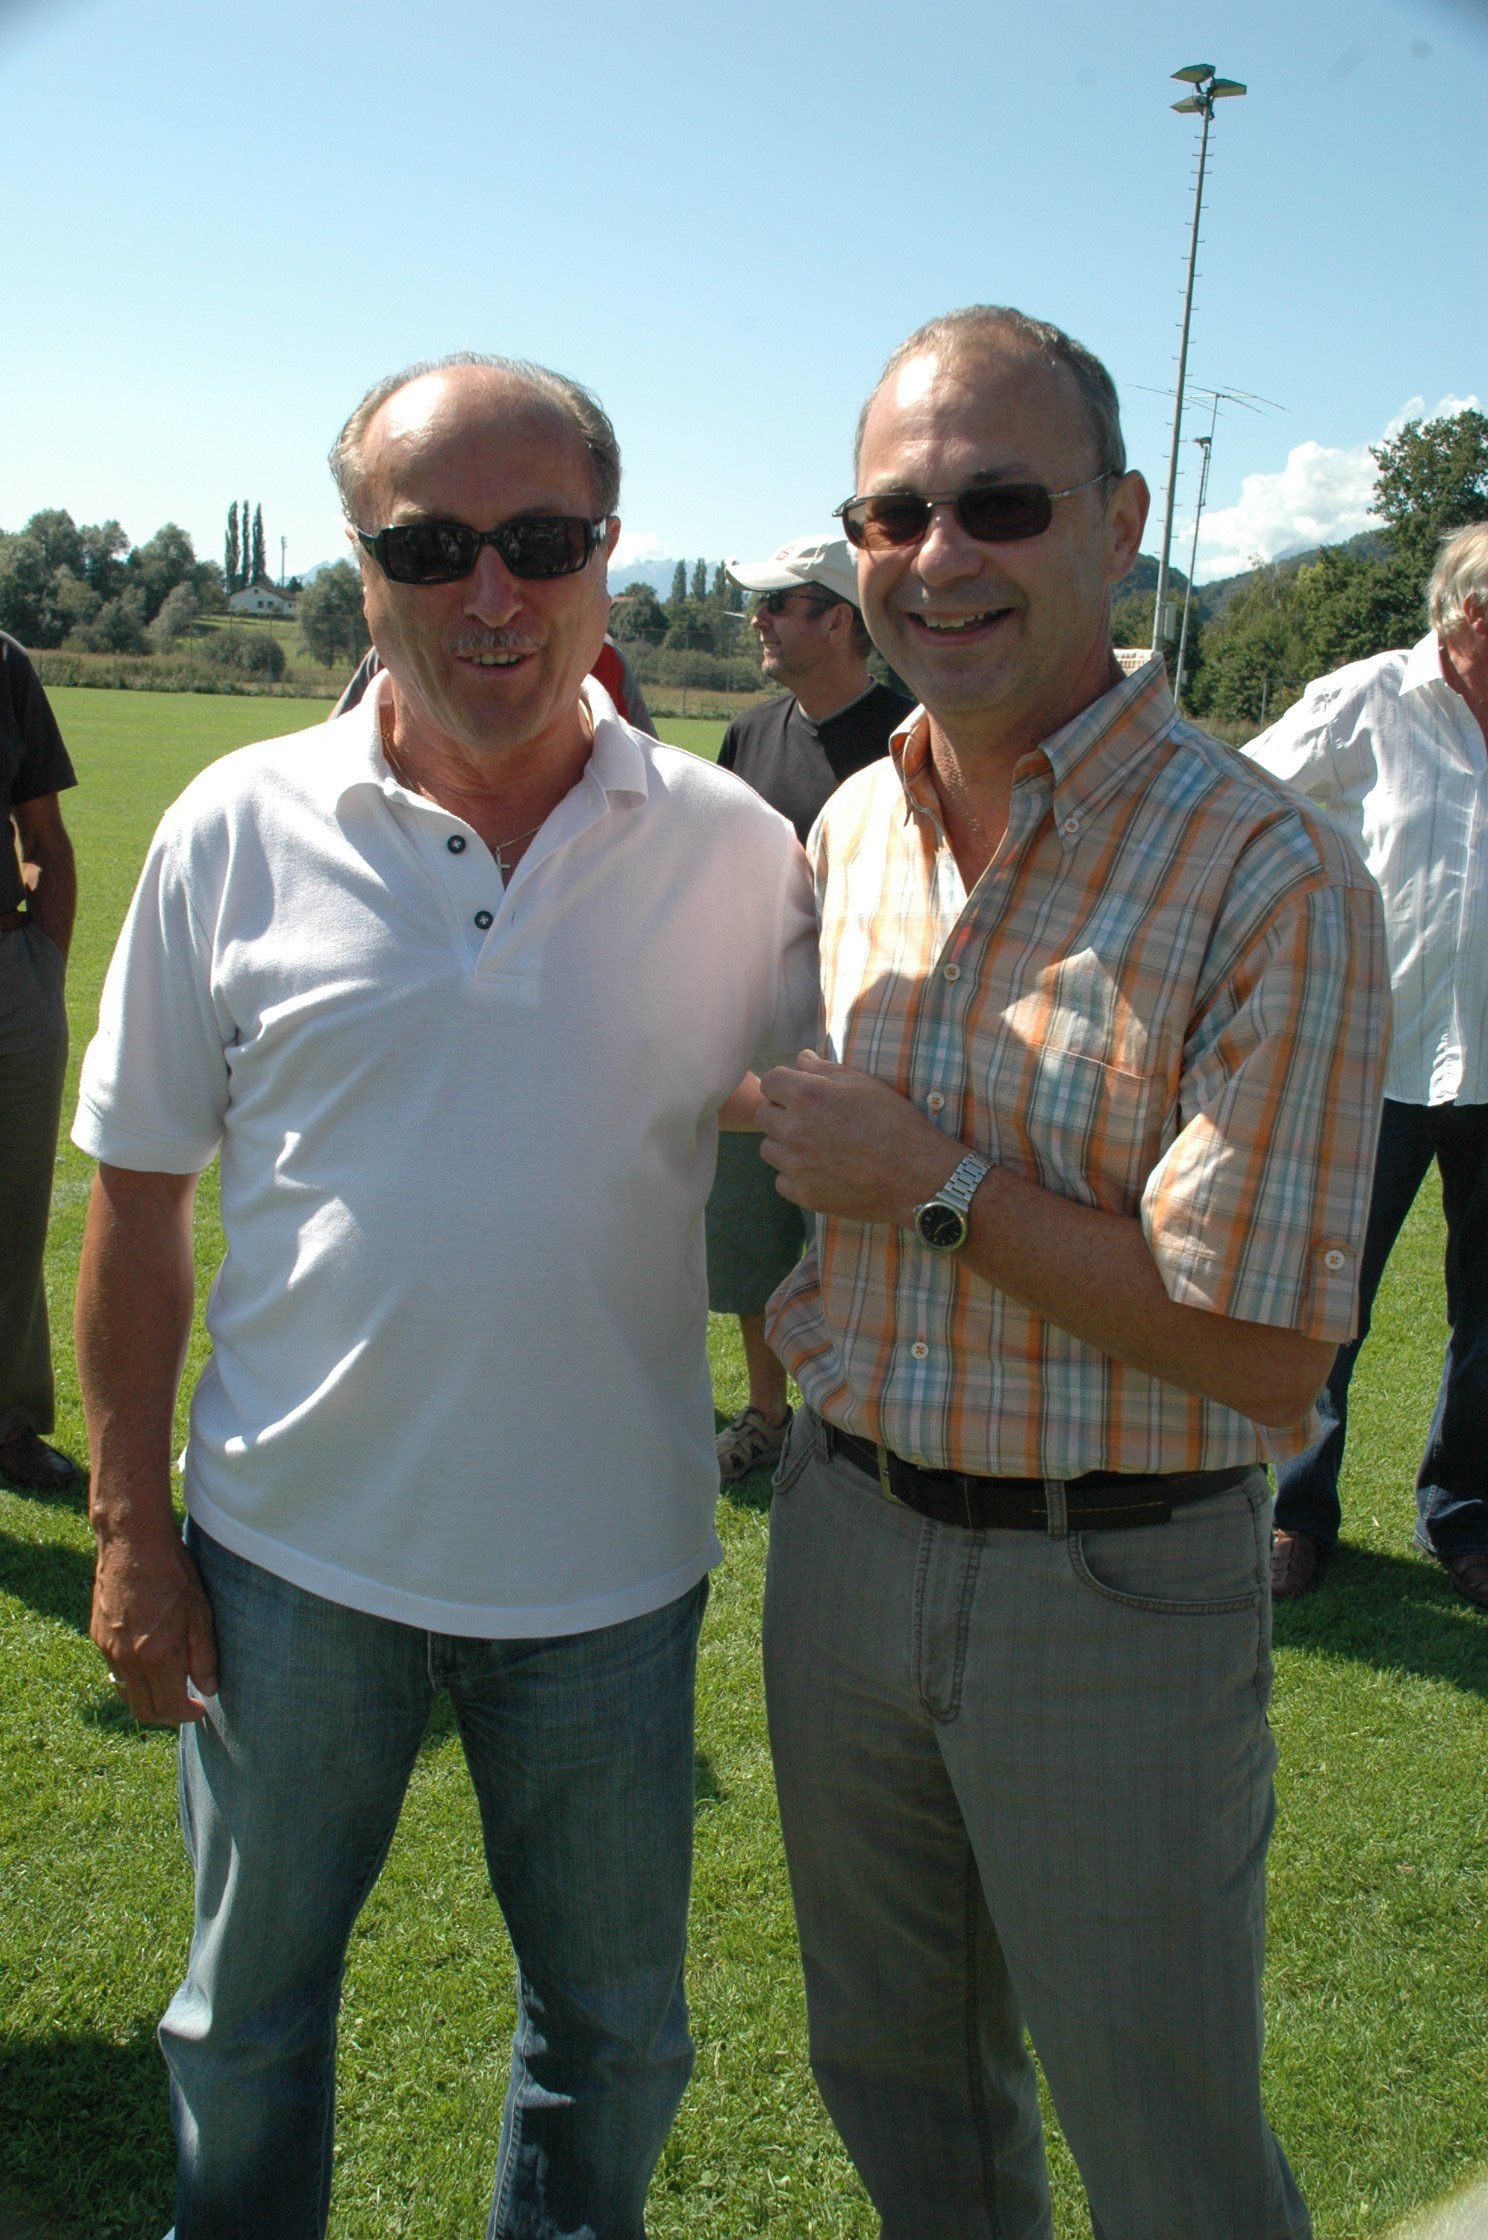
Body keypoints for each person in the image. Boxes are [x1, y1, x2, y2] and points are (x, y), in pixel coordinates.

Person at [72, 352, 816, 2240]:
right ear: (362, 567)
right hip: (288, 1566)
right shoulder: (234, 824)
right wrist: (132, 1526)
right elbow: (138, 1197)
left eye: (540, 541)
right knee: (243, 2025)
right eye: (431, 546)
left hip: (610, 1581)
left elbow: (843, 1151)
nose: (492, 592)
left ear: (608, 556)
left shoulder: (739, 856)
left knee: (615, 2041)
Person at [754, 305, 1389, 2240]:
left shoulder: (1268, 872)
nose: (936, 556)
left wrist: (931, 1184)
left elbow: (1269, 1364)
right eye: (892, 514)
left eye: (999, 505)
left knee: (1163, 2143)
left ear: (1117, 524)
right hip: (842, 1544)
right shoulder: (851, 825)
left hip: (1105, 1585)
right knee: (897, 2089)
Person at [1246, 521, 1488, 1610]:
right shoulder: (1370, 698)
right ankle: (1298, 1512)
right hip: (1370, 1059)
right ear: (1471, 612)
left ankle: (1464, 1516)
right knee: (1327, 1305)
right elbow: (1241, 801)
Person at [707, 534, 909, 1481]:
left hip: (882, 1053)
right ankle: (767, 1414)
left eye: (780, 603)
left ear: (840, 620)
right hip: (762, 1049)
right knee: (757, 1253)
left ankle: (864, 1427)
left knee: (867, 1251)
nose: (760, 619)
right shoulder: (749, 735)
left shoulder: (917, 736)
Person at [1, 632, 78, 1495]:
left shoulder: (4, 666)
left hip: (9, 974)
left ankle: (8, 1421)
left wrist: (40, 971)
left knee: (14, 1206)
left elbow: (45, 838)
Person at [330, 626, 660, 734]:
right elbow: (327, 766)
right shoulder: (393, 651)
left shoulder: (603, 658)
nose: (493, 608)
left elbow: (650, 780)